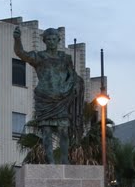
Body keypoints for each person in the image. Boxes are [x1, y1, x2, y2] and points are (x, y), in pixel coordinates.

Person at [13, 26, 84, 164]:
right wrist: (17, 39)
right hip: (44, 97)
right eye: (48, 39)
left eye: (54, 39)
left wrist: (75, 84)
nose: (51, 41)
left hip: (61, 98)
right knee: (46, 131)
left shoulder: (65, 58)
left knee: (63, 130)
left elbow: (72, 75)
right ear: (44, 41)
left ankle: (64, 159)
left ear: (58, 40)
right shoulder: (39, 57)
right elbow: (20, 53)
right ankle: (50, 160)